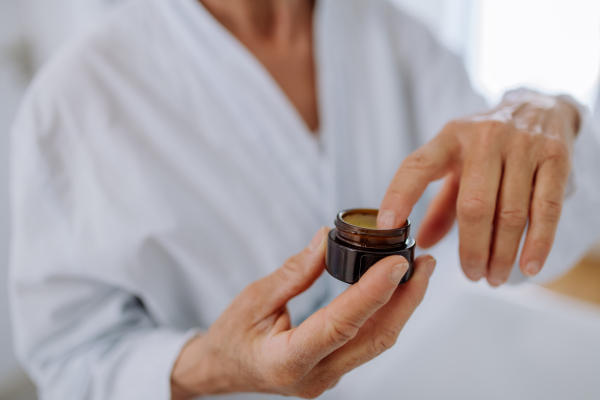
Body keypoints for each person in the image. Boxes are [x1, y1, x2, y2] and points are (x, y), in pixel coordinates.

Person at [9, 0, 600, 399]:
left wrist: (555, 116)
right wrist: (216, 364)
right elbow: (67, 355)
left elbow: (534, 237)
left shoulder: (393, 35)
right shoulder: (77, 98)